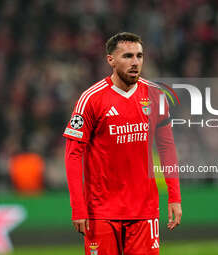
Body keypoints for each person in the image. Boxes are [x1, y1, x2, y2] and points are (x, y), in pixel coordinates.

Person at [63, 32, 182, 255]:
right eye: (128, 56)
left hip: (144, 211)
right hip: (101, 213)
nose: (135, 62)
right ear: (111, 60)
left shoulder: (155, 95)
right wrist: (78, 208)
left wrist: (174, 196)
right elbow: (72, 155)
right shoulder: (91, 99)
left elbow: (167, 148)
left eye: (139, 56)